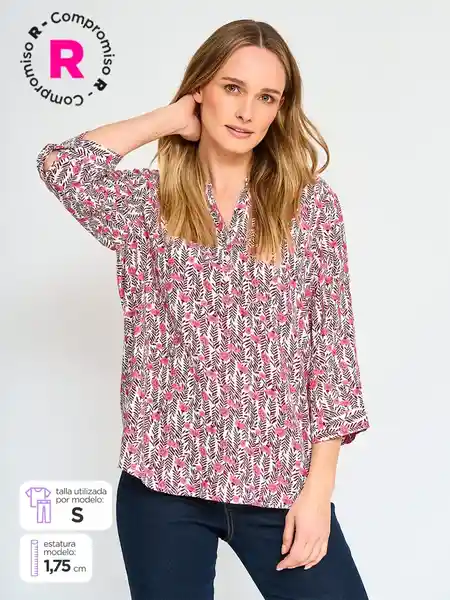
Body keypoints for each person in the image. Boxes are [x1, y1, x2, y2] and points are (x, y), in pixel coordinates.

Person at [36, 18, 370, 600]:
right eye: (232, 88)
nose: (246, 112)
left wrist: (319, 493)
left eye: (266, 97)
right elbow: (61, 165)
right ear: (201, 89)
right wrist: (169, 119)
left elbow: (332, 355)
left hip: (278, 487)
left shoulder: (310, 208)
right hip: (163, 487)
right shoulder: (147, 203)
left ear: (280, 111)